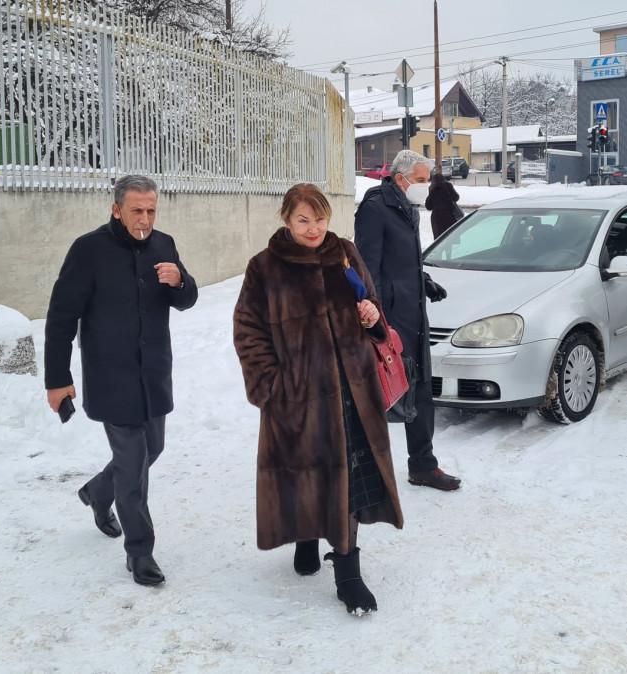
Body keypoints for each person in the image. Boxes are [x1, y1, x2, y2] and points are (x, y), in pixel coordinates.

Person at [233, 183, 404, 616]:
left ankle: (348, 575)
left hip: (352, 392)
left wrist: (371, 318)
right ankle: (306, 535)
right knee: (304, 472)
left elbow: (372, 305)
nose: (313, 229)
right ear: (286, 220)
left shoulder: (344, 252)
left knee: (347, 477)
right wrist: (272, 386)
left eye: (320, 218)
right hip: (297, 397)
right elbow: (247, 332)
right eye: (303, 220)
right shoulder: (265, 268)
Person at [44, 174, 198, 586]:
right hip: (111, 377)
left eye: (151, 210)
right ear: (116, 209)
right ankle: (140, 552)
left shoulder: (163, 245)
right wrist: (58, 379)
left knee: (154, 448)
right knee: (133, 468)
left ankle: (97, 491)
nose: (145, 219)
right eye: (137, 210)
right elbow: (61, 318)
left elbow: (187, 300)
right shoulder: (89, 250)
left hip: (153, 374)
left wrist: (179, 280)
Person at [354, 150, 461, 492]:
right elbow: (367, 268)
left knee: (421, 393)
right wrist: (379, 320)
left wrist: (424, 283)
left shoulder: (407, 208)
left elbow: (402, 262)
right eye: (420, 180)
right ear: (401, 179)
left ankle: (423, 465)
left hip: (415, 316)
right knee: (383, 396)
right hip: (392, 322)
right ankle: (365, 468)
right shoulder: (375, 209)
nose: (425, 187)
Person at [425, 172, 463, 239]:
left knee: (439, 240)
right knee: (449, 238)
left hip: (437, 218)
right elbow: (456, 197)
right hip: (449, 216)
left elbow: (428, 206)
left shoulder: (432, 188)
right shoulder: (448, 186)